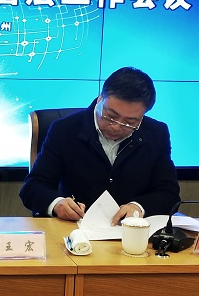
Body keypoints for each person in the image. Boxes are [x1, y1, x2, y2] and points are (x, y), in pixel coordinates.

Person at [20, 66, 180, 225]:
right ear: (100, 98)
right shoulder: (65, 129)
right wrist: (57, 204)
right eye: (111, 116)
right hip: (75, 231)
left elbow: (169, 193)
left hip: (131, 232)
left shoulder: (156, 133)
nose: (116, 127)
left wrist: (138, 207)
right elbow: (33, 187)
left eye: (130, 122)